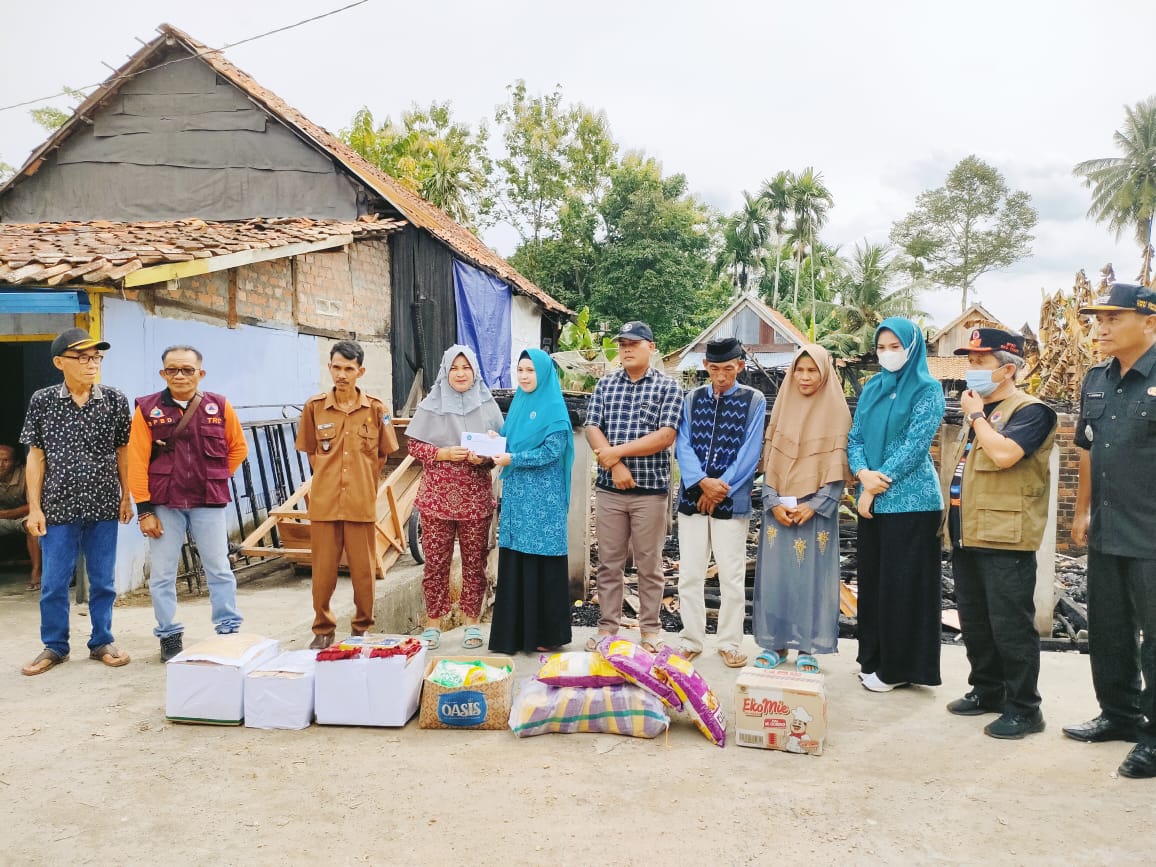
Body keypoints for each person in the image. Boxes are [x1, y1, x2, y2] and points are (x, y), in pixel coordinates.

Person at [941, 328, 1057, 739]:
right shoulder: (986, 412)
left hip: (1005, 536)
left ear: (1007, 369)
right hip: (968, 533)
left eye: (979, 362)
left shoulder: (1031, 411)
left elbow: (1006, 455)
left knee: (1010, 625)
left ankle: (1025, 708)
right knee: (976, 621)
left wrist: (974, 416)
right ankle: (987, 690)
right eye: (969, 361)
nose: (971, 370)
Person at [1064, 282, 1156, 779]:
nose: (1100, 327)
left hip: (1152, 533)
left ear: (1149, 322)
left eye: (1112, 318)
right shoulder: (1097, 379)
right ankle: (1118, 715)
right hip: (1107, 528)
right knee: (1110, 629)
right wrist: (1081, 511)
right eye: (1097, 318)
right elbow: (1086, 446)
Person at [20, 328, 133, 676]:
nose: (91, 363)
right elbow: (35, 457)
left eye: (96, 357)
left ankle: (102, 641)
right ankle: (54, 646)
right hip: (57, 507)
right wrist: (35, 507)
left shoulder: (114, 400)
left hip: (102, 505)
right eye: (82, 357)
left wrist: (127, 494)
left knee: (103, 580)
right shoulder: (43, 401)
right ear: (59, 362)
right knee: (54, 581)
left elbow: (123, 451)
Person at [128, 345, 249, 662]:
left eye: (187, 370)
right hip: (165, 503)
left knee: (219, 568)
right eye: (172, 370)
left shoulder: (219, 407)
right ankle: (168, 635)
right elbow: (136, 462)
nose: (180, 376)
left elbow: (238, 448)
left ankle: (228, 631)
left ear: (201, 373)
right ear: (163, 373)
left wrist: (216, 477)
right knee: (163, 575)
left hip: (207, 502)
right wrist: (145, 511)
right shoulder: (147, 410)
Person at [848, 317, 945, 693]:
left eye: (895, 347)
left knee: (902, 588)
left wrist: (874, 485)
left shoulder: (927, 389)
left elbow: (914, 446)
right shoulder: (873, 387)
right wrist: (860, 473)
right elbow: (854, 437)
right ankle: (873, 659)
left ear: (912, 347)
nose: (887, 354)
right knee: (873, 584)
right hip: (872, 500)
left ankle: (899, 668)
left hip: (911, 504)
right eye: (882, 347)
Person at [584, 320, 683, 653]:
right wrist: (615, 465)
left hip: (650, 493)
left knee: (649, 565)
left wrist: (616, 453)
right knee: (609, 563)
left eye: (633, 343)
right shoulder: (606, 384)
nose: (626, 349)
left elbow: (666, 435)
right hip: (611, 492)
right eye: (622, 344)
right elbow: (591, 427)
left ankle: (650, 630)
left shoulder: (667, 387)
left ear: (650, 348)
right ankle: (607, 629)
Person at [752, 343, 851, 673]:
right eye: (799, 370)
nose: (805, 377)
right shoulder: (782, 407)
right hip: (778, 511)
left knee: (811, 580)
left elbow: (838, 467)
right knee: (776, 577)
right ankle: (775, 645)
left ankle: (807, 646)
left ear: (824, 374)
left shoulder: (837, 411)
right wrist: (771, 501)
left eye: (812, 371)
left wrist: (816, 505)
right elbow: (770, 458)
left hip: (815, 513)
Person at [296, 341, 398, 650]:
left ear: (360, 371)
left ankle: (362, 627)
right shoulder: (314, 408)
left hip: (360, 503)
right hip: (325, 504)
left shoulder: (377, 409)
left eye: (349, 369)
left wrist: (361, 480)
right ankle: (323, 628)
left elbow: (382, 455)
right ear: (330, 368)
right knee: (323, 572)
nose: (342, 374)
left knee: (363, 571)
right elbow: (312, 453)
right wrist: (328, 478)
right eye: (337, 367)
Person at [675, 337, 766, 668]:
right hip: (692, 498)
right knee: (690, 574)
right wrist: (701, 483)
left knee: (731, 575)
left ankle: (729, 642)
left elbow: (750, 453)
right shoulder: (691, 399)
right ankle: (691, 639)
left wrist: (720, 488)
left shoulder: (753, 400)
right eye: (715, 369)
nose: (722, 376)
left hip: (732, 499)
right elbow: (682, 445)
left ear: (740, 366)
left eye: (729, 368)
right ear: (705, 367)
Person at [407, 345, 503, 651]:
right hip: (437, 499)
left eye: (466, 368)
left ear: (474, 372)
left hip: (475, 498)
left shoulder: (487, 404)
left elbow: (501, 448)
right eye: (454, 368)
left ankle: (470, 621)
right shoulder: (430, 404)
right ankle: (433, 622)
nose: (460, 374)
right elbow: (414, 447)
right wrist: (441, 452)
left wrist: (484, 458)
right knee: (436, 562)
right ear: (445, 371)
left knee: (475, 563)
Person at [488, 349, 574, 654]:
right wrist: (494, 440)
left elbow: (552, 451)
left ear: (544, 373)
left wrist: (514, 457)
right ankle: (514, 635)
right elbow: (509, 439)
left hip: (544, 501)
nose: (524, 376)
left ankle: (545, 635)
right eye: (520, 370)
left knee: (542, 563)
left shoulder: (553, 406)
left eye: (530, 371)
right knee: (517, 562)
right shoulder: (519, 405)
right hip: (517, 498)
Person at [0, 444, 42, 591]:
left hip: (23, 517)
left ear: (16, 462)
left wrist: (5, 514)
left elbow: (32, 506)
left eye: (6, 460)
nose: (1, 465)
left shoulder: (26, 474)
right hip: (3, 519)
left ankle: (36, 572)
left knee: (33, 526)